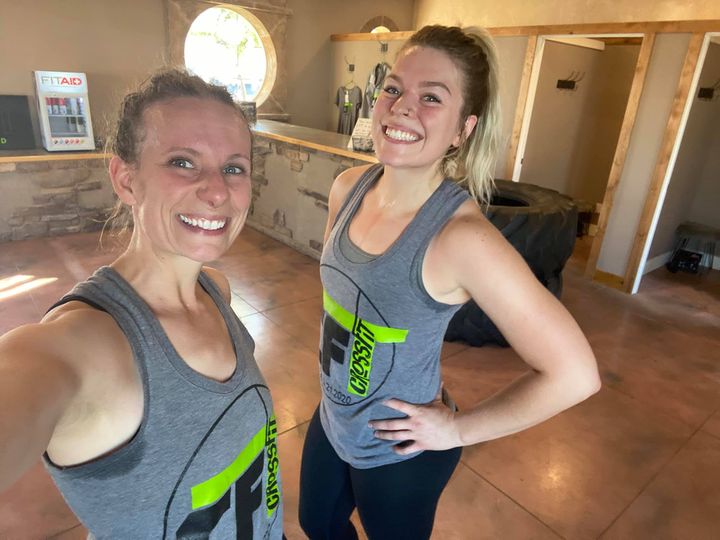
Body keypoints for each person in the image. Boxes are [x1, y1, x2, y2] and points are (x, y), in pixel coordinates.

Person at [298, 25, 601, 540]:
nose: (401, 108)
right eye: (393, 88)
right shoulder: (347, 187)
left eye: (431, 97)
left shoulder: (462, 239)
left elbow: (575, 374)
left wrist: (457, 429)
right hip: (334, 416)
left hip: (401, 449)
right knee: (317, 523)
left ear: (463, 128)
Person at [0, 69, 283, 539]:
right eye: (182, 162)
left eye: (234, 168)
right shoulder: (80, 347)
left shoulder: (216, 292)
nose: (217, 190)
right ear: (126, 179)